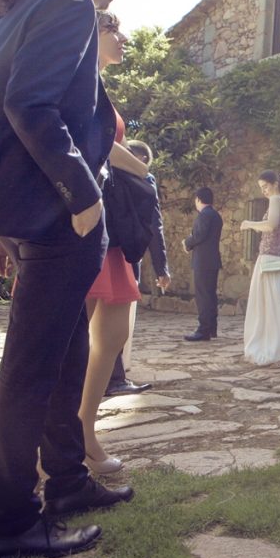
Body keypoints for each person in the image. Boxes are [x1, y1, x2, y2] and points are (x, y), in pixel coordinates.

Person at [0, 0, 134, 558]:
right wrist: (84, 193)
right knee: (31, 370)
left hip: (35, 213)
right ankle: (11, 525)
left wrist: (6, 219)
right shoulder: (65, 1)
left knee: (64, 359)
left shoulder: (28, 0)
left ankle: (65, 482)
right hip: (61, 217)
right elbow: (26, 105)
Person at [78, 11, 158, 476]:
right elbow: (93, 141)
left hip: (107, 224)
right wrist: (141, 169)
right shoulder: (78, 78)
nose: (123, 37)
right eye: (113, 30)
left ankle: (83, 428)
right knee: (83, 335)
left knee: (112, 334)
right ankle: (76, 435)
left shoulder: (97, 83)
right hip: (87, 219)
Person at [102, 138, 170, 398]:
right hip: (112, 254)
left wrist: (161, 268)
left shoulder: (135, 179)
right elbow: (153, 227)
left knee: (108, 323)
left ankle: (110, 377)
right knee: (108, 323)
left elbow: (155, 226)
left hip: (112, 254)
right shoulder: (123, 176)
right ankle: (111, 378)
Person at [242, 170, 280, 368]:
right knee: (275, 303)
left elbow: (272, 225)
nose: (263, 191)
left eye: (265, 186)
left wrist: (249, 223)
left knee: (271, 305)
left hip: (272, 257)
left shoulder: (276, 200)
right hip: (279, 257)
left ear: (275, 183)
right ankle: (278, 349)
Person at [183, 187, 223, 341]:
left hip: (203, 262)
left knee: (203, 296)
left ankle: (204, 329)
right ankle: (211, 327)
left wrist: (187, 242)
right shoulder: (215, 215)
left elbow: (200, 235)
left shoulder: (204, 215)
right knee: (210, 295)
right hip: (212, 260)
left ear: (198, 199)